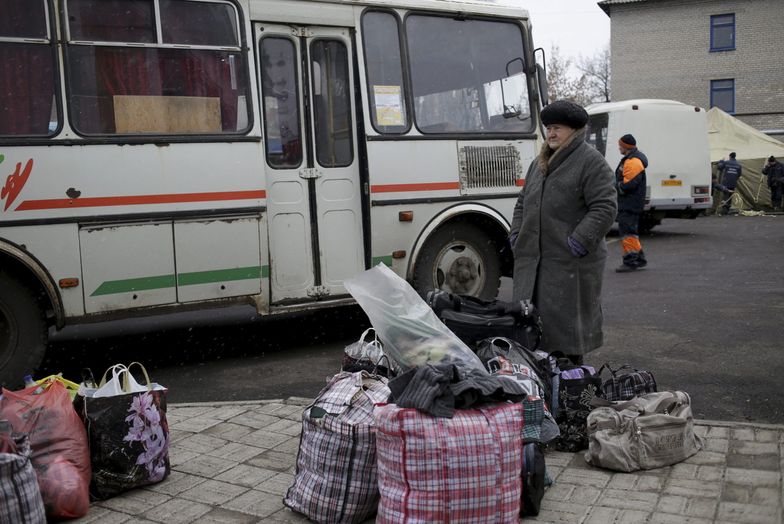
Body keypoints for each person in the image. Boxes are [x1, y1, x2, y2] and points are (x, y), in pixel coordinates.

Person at [509, 100, 617, 366]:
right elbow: (523, 201)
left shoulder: (591, 161)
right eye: (548, 128)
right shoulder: (539, 163)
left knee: (566, 334)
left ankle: (570, 385)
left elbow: (605, 206)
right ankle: (543, 388)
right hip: (534, 261)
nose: (551, 134)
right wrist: (516, 234)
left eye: (557, 128)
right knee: (532, 328)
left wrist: (579, 242)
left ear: (575, 131)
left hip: (570, 263)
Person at [615, 134, 648, 272]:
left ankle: (630, 261)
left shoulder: (632, 161)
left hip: (629, 203)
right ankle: (639, 259)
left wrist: (615, 186)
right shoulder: (633, 159)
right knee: (631, 232)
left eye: (620, 146)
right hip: (631, 203)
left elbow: (628, 185)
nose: (619, 148)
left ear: (625, 147)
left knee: (627, 233)